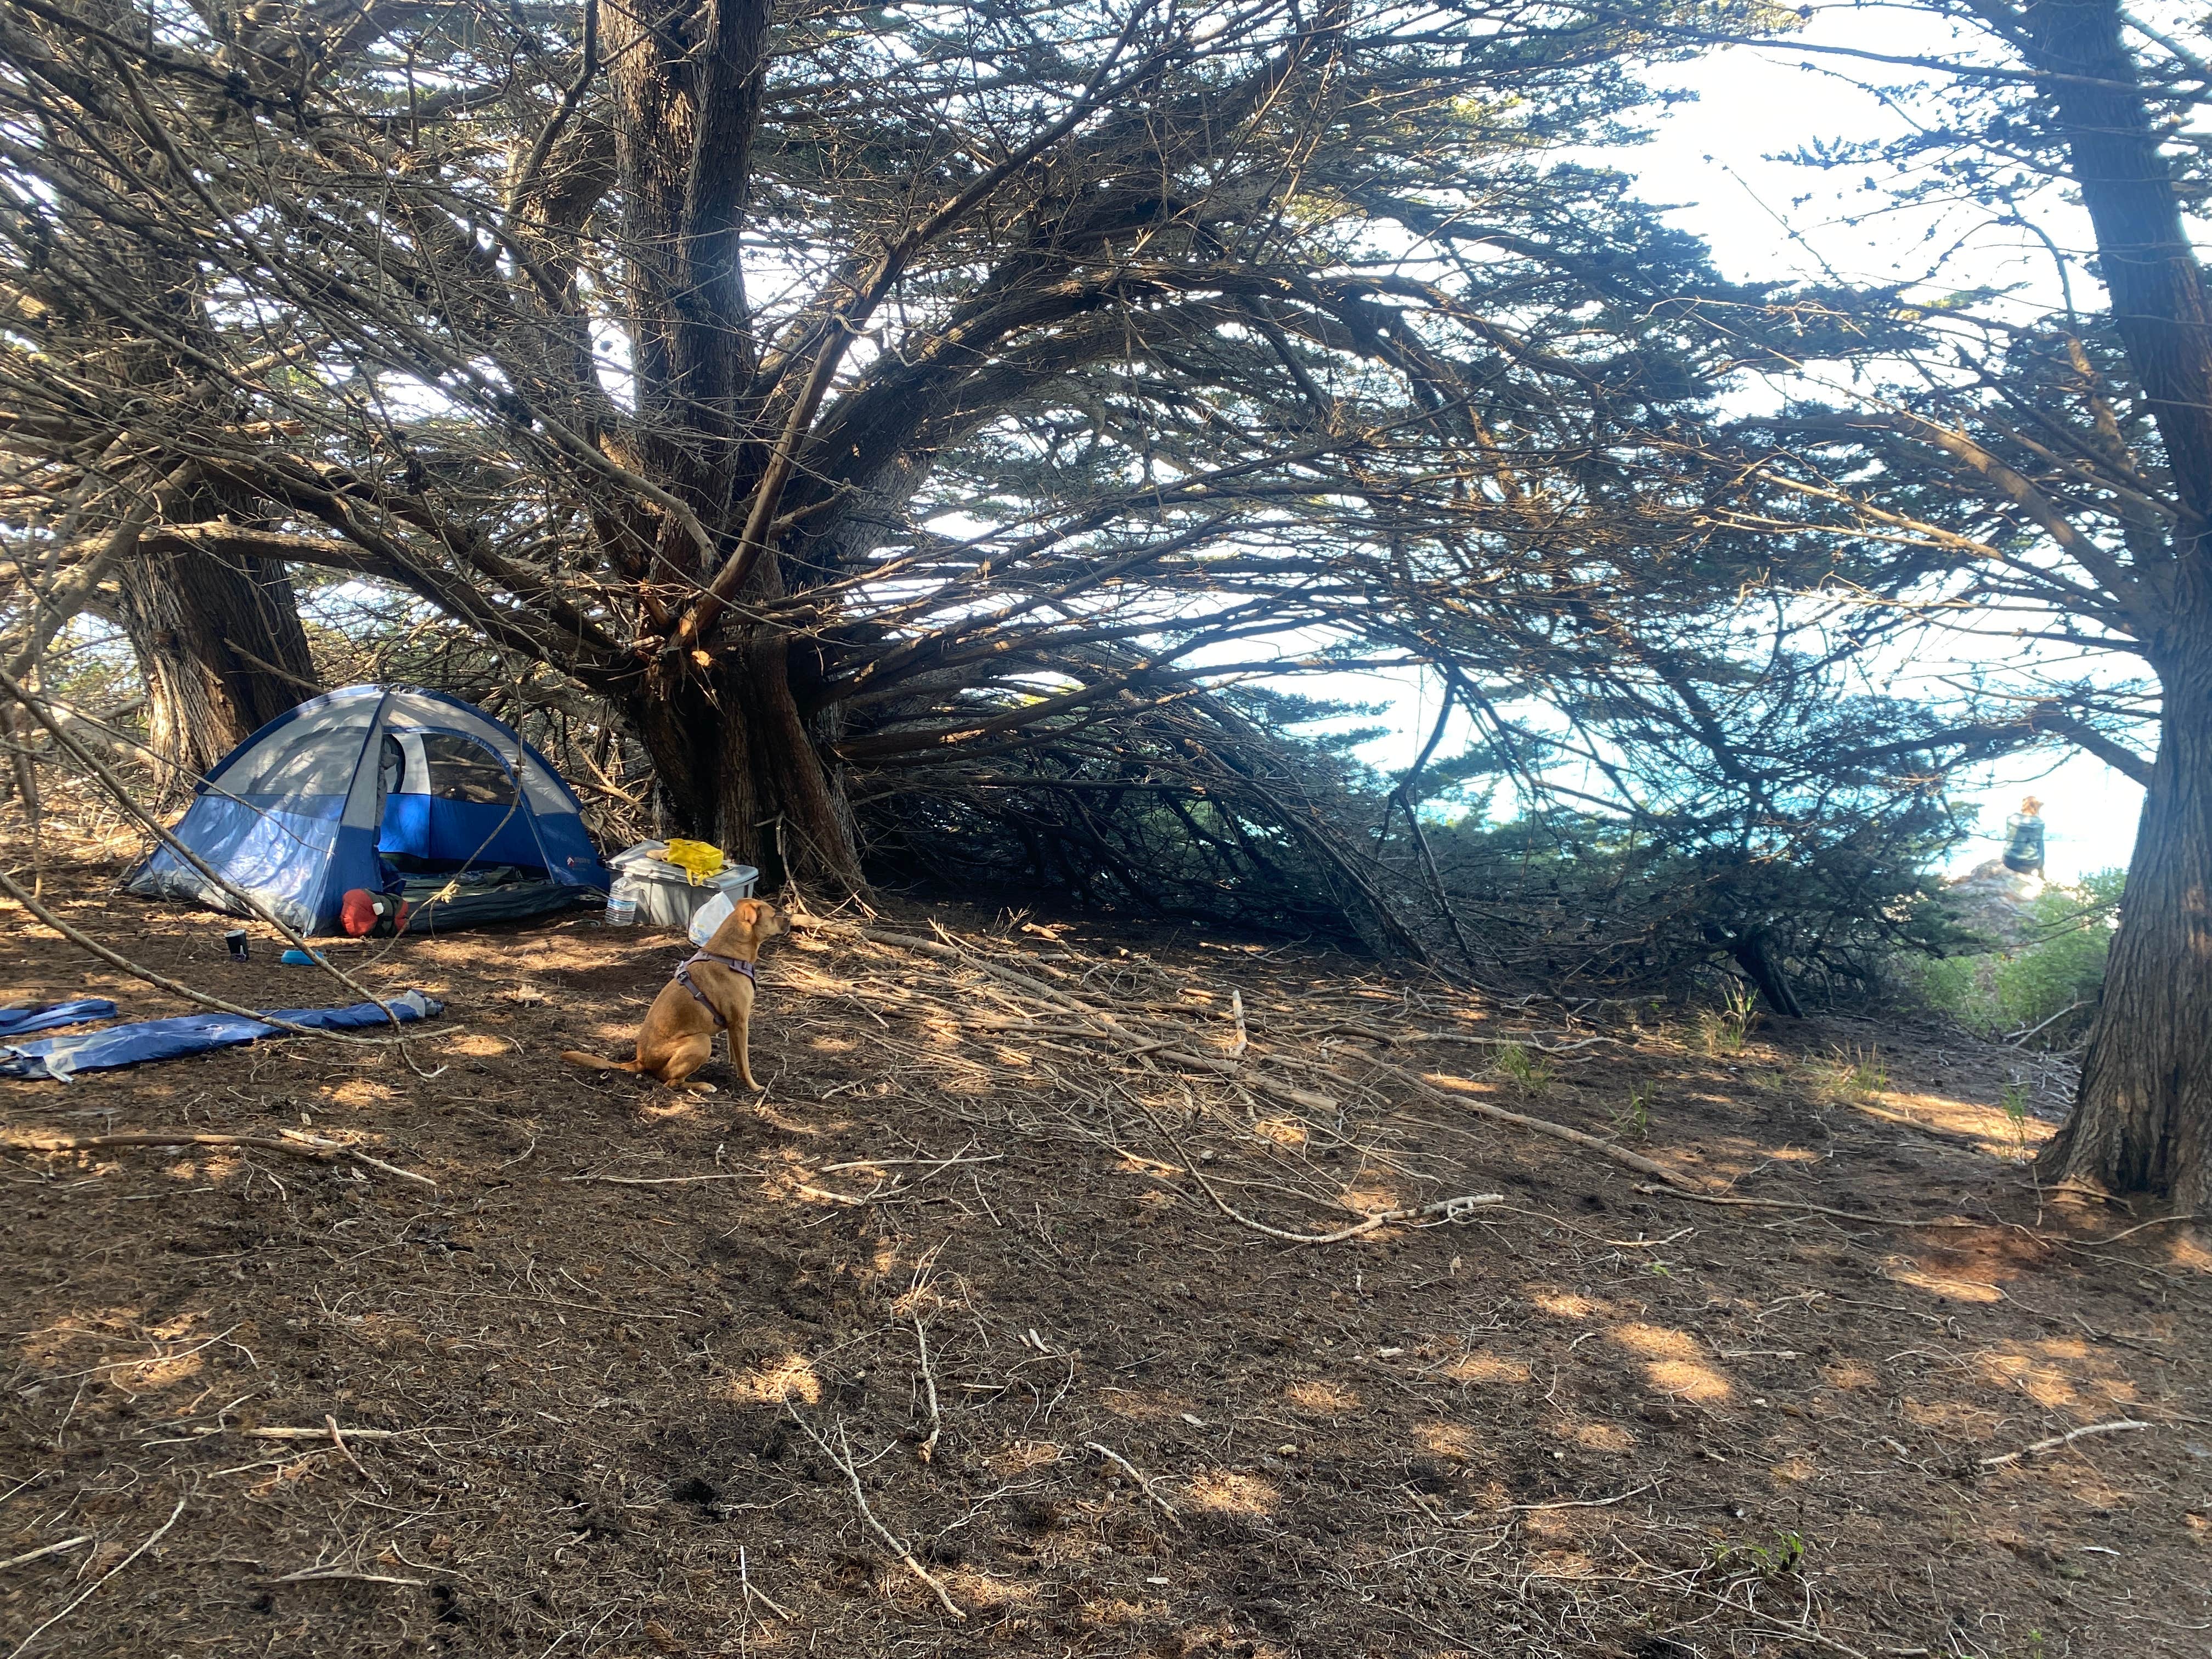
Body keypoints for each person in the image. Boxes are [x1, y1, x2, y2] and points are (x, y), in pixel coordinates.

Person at [2002, 795, 2046, 877]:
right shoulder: (2040, 823)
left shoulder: (2011, 819)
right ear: (2036, 807)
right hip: (2030, 864)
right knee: (2040, 843)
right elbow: (2039, 847)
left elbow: (2010, 838)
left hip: (2009, 861)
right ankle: (2041, 871)